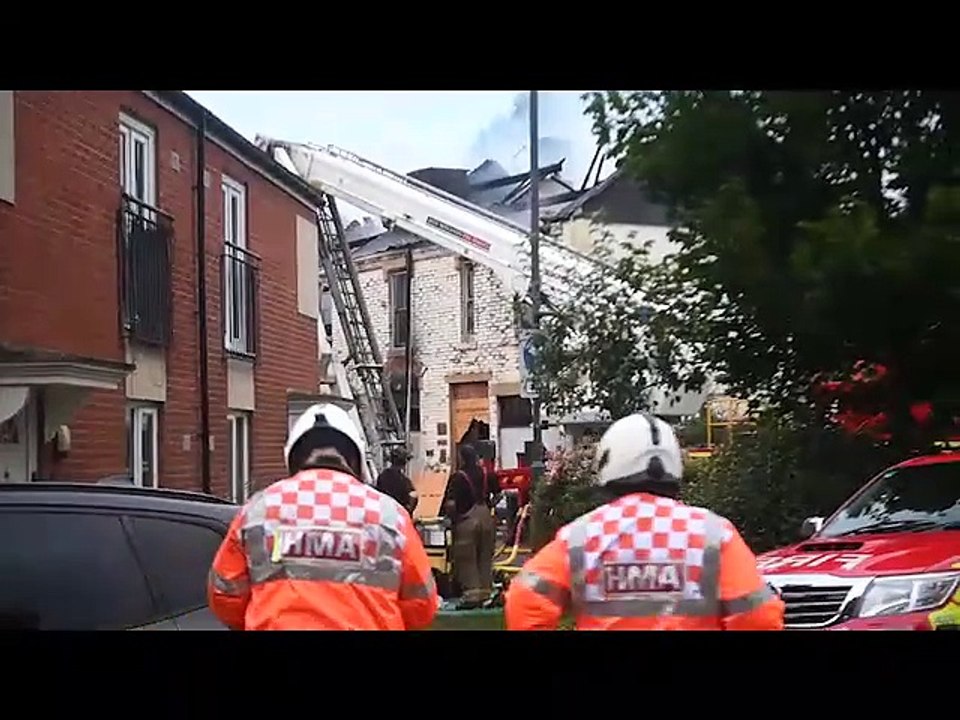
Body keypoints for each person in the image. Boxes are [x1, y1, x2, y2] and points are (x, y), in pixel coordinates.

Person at [504, 412, 785, 631]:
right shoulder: (714, 535)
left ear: (608, 463)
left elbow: (524, 600)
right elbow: (759, 617)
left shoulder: (581, 537)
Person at [207, 403, 438, 630]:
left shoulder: (258, 511)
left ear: (294, 457)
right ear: (354, 457)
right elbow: (421, 605)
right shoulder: (390, 516)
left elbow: (225, 595)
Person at [441, 443, 500, 607]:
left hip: (467, 520)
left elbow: (451, 504)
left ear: (461, 458)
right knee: (485, 556)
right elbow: (499, 494)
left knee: (467, 558)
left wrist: (453, 520)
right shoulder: (487, 473)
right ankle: (486, 593)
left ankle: (472, 596)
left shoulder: (458, 477)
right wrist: (489, 506)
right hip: (486, 517)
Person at [376, 446, 418, 516]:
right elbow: (413, 496)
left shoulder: (382, 476)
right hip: (400, 516)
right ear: (404, 462)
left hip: (385, 514)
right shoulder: (404, 480)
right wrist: (408, 510)